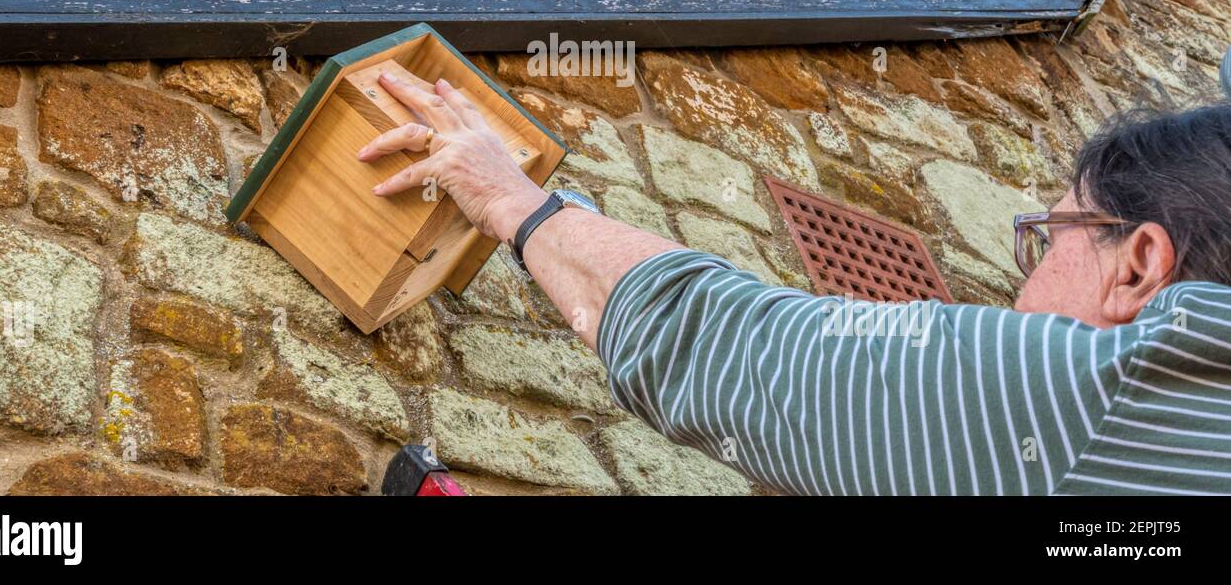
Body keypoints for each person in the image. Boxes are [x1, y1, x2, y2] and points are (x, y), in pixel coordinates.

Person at [357, 71, 1231, 495]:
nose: (1022, 287)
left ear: (1140, 264)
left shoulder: (1116, 392)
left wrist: (516, 201)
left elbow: (725, 348)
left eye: (1046, 240)